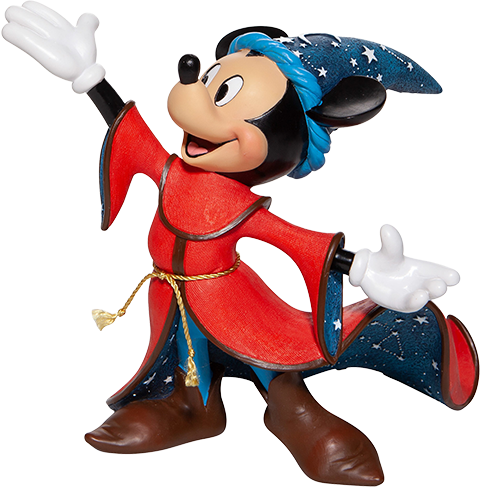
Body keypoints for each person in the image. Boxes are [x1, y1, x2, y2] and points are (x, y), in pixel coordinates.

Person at [3, 3, 478, 485]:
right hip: (173, 292)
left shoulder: (240, 206)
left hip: (231, 299)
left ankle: (291, 407)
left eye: (226, 98)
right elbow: (133, 135)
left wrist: (363, 267)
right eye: (211, 83)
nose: (195, 101)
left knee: (263, 348)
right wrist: (89, 77)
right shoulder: (173, 174)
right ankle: (194, 406)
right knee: (188, 350)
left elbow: (300, 242)